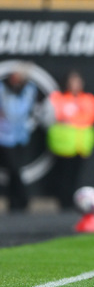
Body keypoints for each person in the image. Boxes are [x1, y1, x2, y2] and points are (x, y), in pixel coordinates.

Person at [47, 70, 94, 210]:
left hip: (80, 145)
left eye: (77, 81)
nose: (75, 84)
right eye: (72, 81)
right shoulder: (58, 97)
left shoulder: (88, 98)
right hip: (63, 145)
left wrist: (70, 120)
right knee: (62, 177)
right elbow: (52, 117)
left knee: (75, 177)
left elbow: (90, 116)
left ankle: (73, 203)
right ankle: (63, 203)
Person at [0, 66, 37, 212]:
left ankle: (16, 202)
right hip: (4, 137)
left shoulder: (27, 90)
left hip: (20, 138)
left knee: (15, 171)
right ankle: (21, 199)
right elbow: (8, 112)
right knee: (13, 170)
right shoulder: (2, 90)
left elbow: (23, 110)